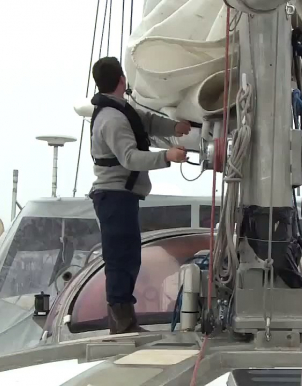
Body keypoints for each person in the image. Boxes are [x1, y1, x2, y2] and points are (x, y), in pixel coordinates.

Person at [88, 56, 189, 334]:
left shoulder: (119, 109)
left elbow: (144, 120)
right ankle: (122, 325)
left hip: (122, 196)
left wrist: (174, 127)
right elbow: (131, 158)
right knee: (121, 259)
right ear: (122, 80)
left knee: (128, 256)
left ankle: (124, 321)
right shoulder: (111, 120)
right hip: (114, 197)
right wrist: (166, 156)